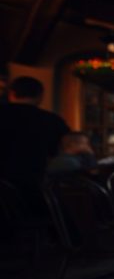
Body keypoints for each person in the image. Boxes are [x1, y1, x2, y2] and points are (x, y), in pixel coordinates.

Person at [0, 77, 70, 214]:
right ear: (40, 96)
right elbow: (65, 151)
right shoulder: (51, 120)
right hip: (35, 188)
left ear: (11, 94)